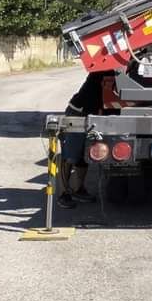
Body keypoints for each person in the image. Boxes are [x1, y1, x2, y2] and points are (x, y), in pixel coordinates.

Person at [57, 71, 105, 208]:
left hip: (90, 115)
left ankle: (80, 189)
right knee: (70, 155)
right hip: (77, 113)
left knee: (83, 156)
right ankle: (63, 193)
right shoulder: (105, 69)